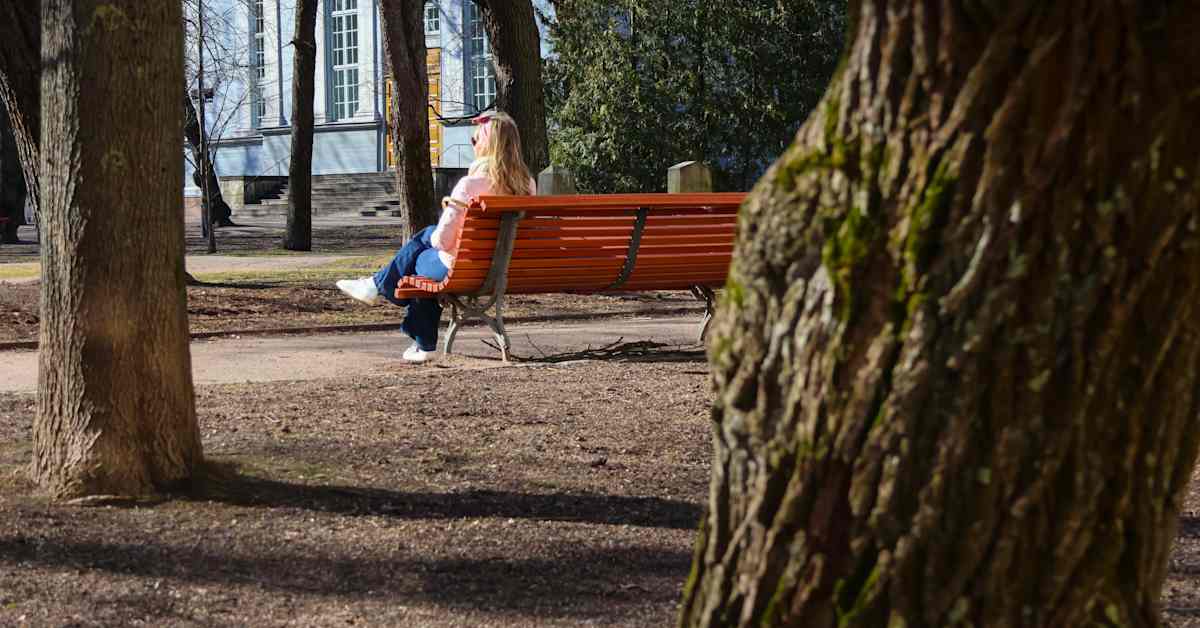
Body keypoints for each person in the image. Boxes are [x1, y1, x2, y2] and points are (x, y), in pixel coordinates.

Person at [336, 112, 535, 362]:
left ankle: (411, 328)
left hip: (463, 269)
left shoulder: (469, 185)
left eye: (475, 140)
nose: (473, 146)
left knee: (421, 253)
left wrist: (434, 235)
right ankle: (380, 292)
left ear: (488, 145)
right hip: (505, 270)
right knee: (423, 249)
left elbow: (441, 242)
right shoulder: (527, 185)